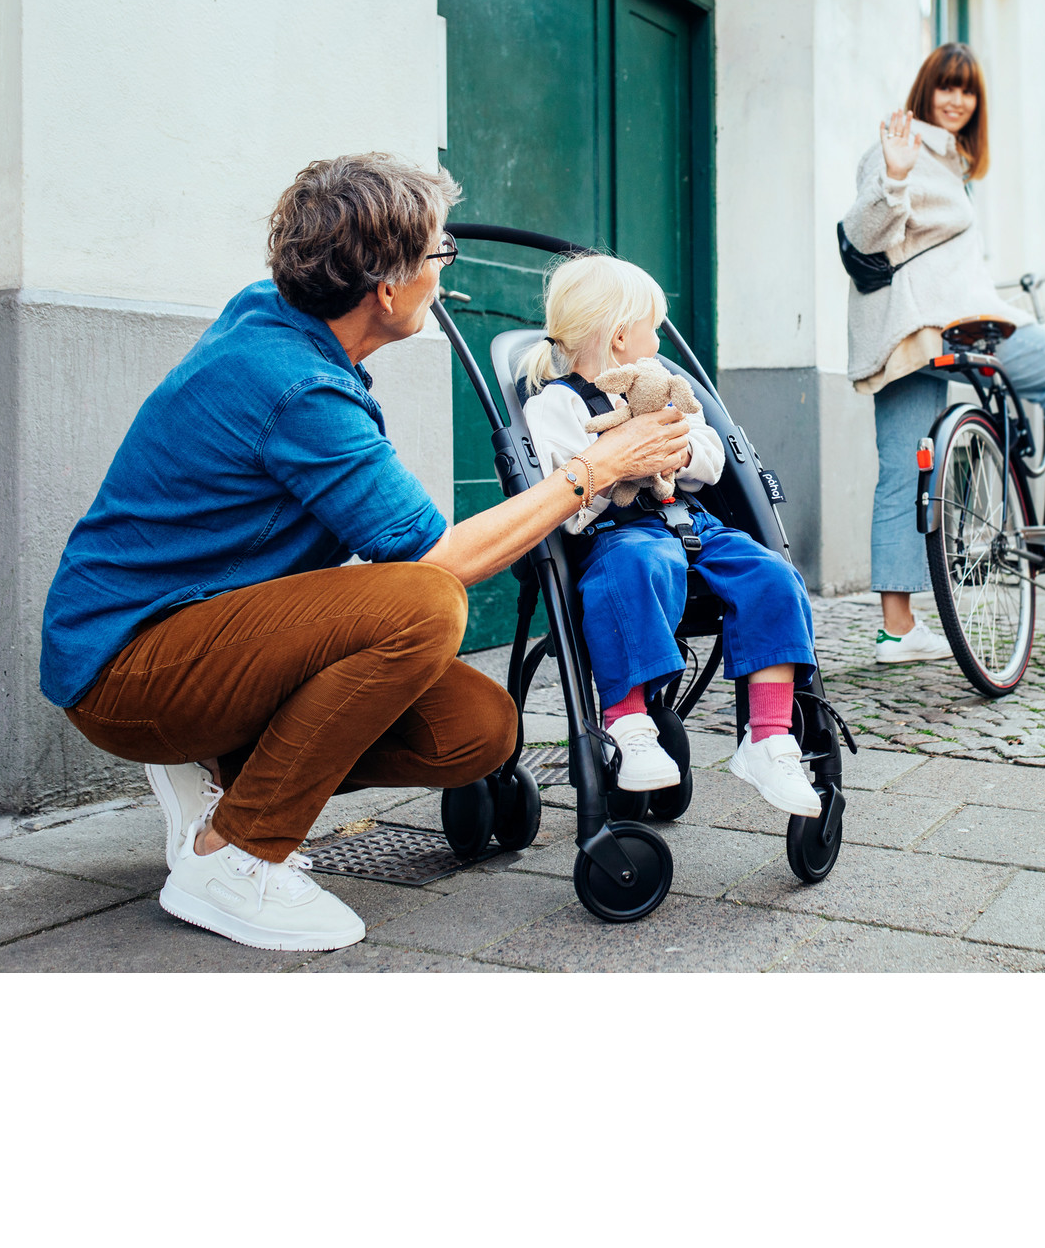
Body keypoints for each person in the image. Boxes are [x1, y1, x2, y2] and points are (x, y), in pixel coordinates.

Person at [39, 154, 691, 953]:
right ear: (386, 288)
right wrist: (604, 465)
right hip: (127, 665)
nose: (446, 273)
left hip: (205, 628)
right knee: (425, 604)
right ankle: (235, 855)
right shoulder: (294, 385)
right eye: (437, 256)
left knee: (478, 730)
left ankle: (217, 769)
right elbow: (439, 560)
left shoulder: (283, 323)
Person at [840, 42, 1045, 666]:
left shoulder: (951, 164)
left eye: (968, 91)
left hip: (909, 330)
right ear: (925, 90)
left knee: (903, 471)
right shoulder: (898, 148)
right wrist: (894, 174)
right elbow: (864, 235)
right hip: (945, 321)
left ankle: (898, 631)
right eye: (946, 87)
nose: (956, 100)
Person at [520, 253, 821, 817]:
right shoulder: (556, 405)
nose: (658, 342)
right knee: (629, 572)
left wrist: (677, 452)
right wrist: (617, 465)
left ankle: (769, 737)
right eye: (651, 329)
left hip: (690, 521)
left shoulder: (666, 390)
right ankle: (630, 725)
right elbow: (563, 495)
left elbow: (710, 455)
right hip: (616, 530)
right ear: (617, 338)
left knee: (773, 576)